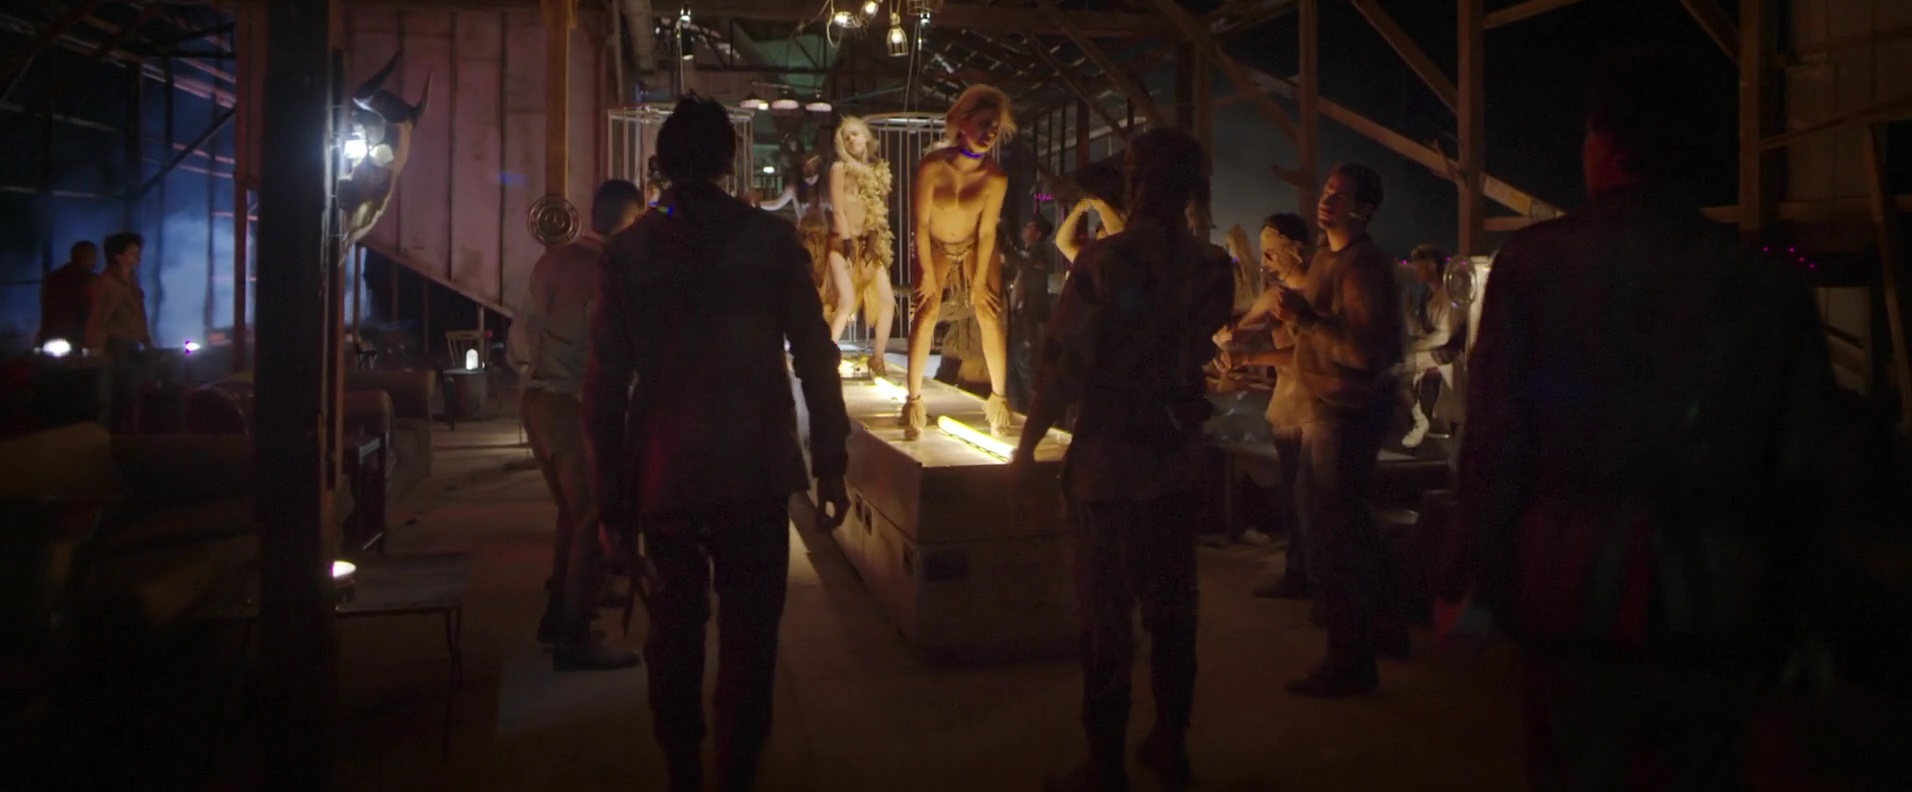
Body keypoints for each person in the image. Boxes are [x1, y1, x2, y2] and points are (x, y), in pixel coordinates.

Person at [1441, 50, 1832, 791]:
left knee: (1575, 763)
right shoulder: (1763, 280)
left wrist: (1472, 576)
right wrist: (1801, 615)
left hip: (1568, 582)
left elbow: (1496, 440)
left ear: (1606, 143)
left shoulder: (1533, 264)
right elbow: (1803, 465)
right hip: (1719, 595)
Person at [584, 94, 851, 792]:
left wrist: (610, 504)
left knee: (673, 635)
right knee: (751, 640)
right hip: (756, 468)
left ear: (661, 163)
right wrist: (831, 459)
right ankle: (736, 771)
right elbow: (816, 355)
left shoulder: (627, 254)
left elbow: (604, 388)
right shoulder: (771, 242)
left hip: (667, 471)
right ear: (730, 162)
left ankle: (683, 771)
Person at [1013, 127, 1234, 792]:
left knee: (1105, 618)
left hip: (1109, 462)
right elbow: (1200, 348)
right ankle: (1170, 741)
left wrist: (1027, 447)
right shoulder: (1214, 268)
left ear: (1137, 181)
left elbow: (1063, 365)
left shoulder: (1104, 262)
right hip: (1177, 460)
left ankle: (1103, 763)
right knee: (1173, 613)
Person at [1272, 163, 1406, 697]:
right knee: (1347, 525)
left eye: (1342, 195)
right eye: (1327, 190)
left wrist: (1306, 321)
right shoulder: (1327, 257)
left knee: (1334, 534)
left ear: (1365, 210)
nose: (1327, 200)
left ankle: (1350, 658)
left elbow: (1366, 353)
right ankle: (1385, 628)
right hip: (1324, 406)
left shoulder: (1363, 267)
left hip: (1346, 412)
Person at [506, 179, 646, 671]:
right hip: (573, 402)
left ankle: (558, 611)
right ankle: (576, 636)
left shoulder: (552, 260)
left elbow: (518, 338)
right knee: (593, 518)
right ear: (634, 218)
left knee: (571, 513)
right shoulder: (610, 268)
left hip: (536, 399)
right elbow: (619, 344)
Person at [902, 84, 1015, 438]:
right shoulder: (933, 167)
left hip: (974, 243)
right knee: (926, 311)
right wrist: (927, 274)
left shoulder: (995, 178)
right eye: (984, 124)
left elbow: (987, 232)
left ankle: (999, 401)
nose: (989, 133)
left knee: (989, 312)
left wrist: (979, 282)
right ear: (964, 123)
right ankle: (913, 401)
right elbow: (920, 224)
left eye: (994, 127)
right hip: (935, 243)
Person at [1220, 213, 1317, 593]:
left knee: (1309, 498)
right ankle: (1298, 571)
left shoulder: (1315, 293)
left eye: (1273, 252)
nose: (1266, 261)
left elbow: (1306, 356)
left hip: (1312, 407)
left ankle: (1315, 576)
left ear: (1297, 250)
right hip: (1287, 406)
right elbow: (1244, 324)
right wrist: (1229, 335)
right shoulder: (1277, 293)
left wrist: (1248, 357)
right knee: (1293, 496)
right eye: (1264, 253)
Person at [823, 116, 897, 358]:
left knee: (887, 302)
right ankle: (826, 357)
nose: (851, 139)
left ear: (866, 137)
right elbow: (837, 209)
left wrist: (871, 248)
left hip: (867, 245)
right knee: (845, 301)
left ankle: (878, 359)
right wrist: (848, 244)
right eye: (846, 137)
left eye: (855, 134)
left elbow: (877, 214)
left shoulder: (877, 173)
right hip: (841, 243)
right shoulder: (839, 169)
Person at [1396, 244, 1464, 448]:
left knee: (1401, 368)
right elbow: (1419, 331)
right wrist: (1408, 312)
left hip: (1450, 351)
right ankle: (1420, 419)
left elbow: (1445, 335)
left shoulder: (1450, 293)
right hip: (1434, 349)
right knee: (1398, 368)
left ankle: (1420, 421)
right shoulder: (1428, 295)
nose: (1415, 270)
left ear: (1432, 266)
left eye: (1419, 266)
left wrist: (1415, 347)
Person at [84, 232, 152, 433]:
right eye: (132, 253)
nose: (137, 258)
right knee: (120, 396)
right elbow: (98, 318)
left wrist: (147, 341)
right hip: (117, 346)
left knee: (133, 395)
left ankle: (128, 434)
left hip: (133, 345)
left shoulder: (130, 279)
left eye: (138, 253)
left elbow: (138, 315)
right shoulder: (108, 283)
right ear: (118, 256)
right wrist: (94, 350)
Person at [1005, 215, 1056, 412]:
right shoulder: (1028, 255)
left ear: (1038, 233)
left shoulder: (1038, 252)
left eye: (1029, 226)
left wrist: (1002, 241)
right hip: (1020, 317)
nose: (1024, 229)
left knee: (1026, 367)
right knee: (1014, 368)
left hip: (1029, 320)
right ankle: (1022, 412)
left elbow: (1020, 261)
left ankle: (1035, 413)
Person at [39, 241, 99, 347]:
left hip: (52, 334)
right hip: (77, 337)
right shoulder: (92, 281)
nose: (95, 261)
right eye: (93, 257)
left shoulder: (53, 278)